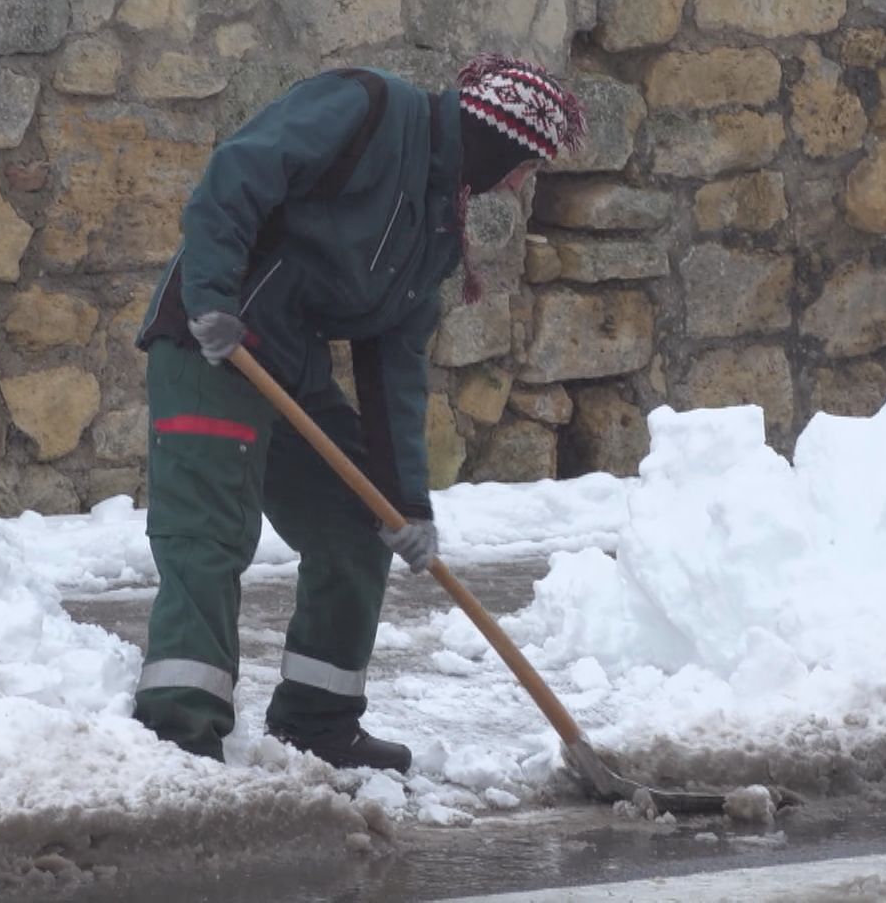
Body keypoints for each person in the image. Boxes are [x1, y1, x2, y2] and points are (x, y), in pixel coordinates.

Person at [130, 54, 588, 772]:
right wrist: (212, 296)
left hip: (286, 366)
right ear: (499, 139)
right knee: (210, 534)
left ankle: (318, 722)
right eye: (526, 166)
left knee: (355, 523)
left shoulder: (438, 226)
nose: (519, 183)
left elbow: (393, 364)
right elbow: (238, 173)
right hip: (211, 347)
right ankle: (181, 735)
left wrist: (405, 502)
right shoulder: (365, 108)